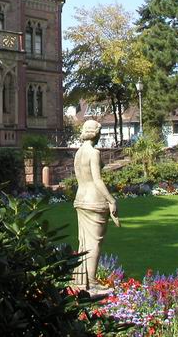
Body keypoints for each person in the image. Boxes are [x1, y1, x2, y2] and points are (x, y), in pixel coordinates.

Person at [73, 119, 119, 290]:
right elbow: (97, 181)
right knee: (94, 243)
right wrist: (112, 200)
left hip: (80, 198)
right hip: (94, 200)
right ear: (97, 133)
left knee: (84, 241)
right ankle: (91, 281)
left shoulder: (78, 153)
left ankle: (81, 281)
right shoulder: (94, 152)